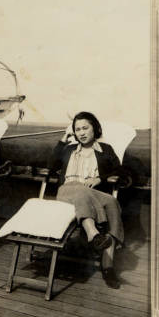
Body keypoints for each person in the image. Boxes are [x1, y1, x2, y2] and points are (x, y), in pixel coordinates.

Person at [49, 111, 127, 289]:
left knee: (113, 203)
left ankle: (107, 266)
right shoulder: (67, 149)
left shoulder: (105, 149)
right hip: (67, 192)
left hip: (93, 194)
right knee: (82, 191)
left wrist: (101, 178)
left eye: (85, 128)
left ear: (95, 128)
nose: (82, 133)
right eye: (77, 129)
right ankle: (93, 233)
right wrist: (63, 139)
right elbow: (50, 166)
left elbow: (122, 172)